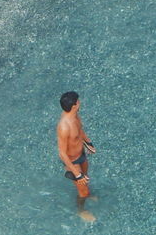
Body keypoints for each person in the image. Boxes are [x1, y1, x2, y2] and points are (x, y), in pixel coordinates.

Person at [56, 91, 96, 221]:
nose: (80, 102)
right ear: (74, 105)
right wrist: (76, 174)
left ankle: (86, 193)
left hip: (81, 154)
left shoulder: (75, 116)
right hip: (73, 162)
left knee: (86, 179)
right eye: (78, 101)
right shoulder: (64, 127)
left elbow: (79, 131)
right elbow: (62, 153)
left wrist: (88, 142)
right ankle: (81, 211)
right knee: (82, 190)